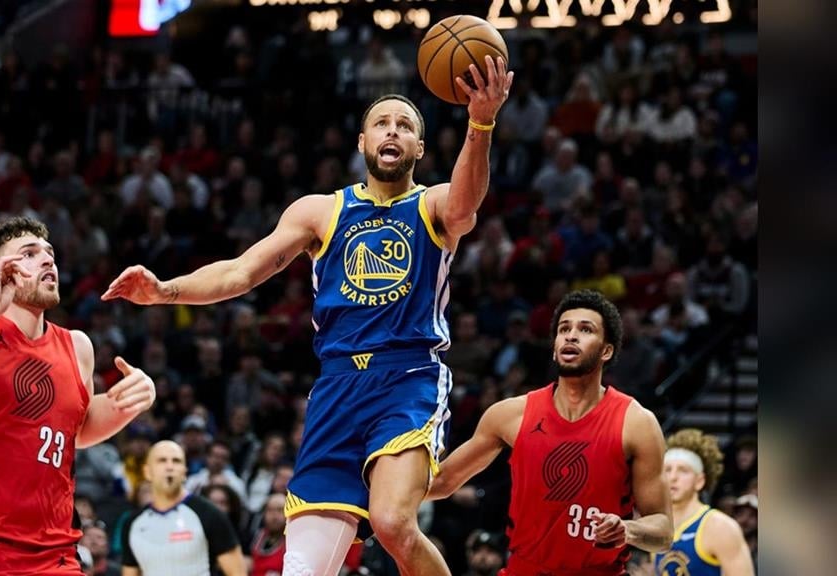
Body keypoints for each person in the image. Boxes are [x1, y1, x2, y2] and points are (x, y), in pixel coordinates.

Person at [104, 55, 514, 576]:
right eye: (381, 123)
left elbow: (465, 205)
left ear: (419, 149)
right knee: (300, 568)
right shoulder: (320, 211)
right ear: (362, 143)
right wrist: (166, 291)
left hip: (406, 377)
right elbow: (240, 272)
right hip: (336, 386)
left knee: (391, 522)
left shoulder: (432, 205)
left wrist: (481, 123)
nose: (392, 131)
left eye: (405, 126)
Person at [0, 216, 156, 575]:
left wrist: (126, 402)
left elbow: (75, 431)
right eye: (29, 253)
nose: (48, 259)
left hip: (51, 555)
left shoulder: (77, 346)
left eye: (49, 252)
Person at [428, 289, 673, 575]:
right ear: (555, 346)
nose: (571, 336)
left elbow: (663, 530)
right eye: (564, 329)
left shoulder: (637, 423)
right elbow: (442, 481)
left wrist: (628, 530)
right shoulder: (510, 415)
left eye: (585, 329)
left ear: (606, 351)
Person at [120, 441, 245, 576]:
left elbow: (238, 573)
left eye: (176, 461)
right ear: (147, 471)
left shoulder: (209, 515)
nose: (169, 467)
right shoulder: (133, 524)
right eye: (162, 460)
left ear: (185, 471)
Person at [654, 428, 755, 576]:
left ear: (700, 481)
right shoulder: (659, 528)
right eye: (667, 470)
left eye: (683, 470)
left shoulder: (720, 527)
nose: (673, 477)